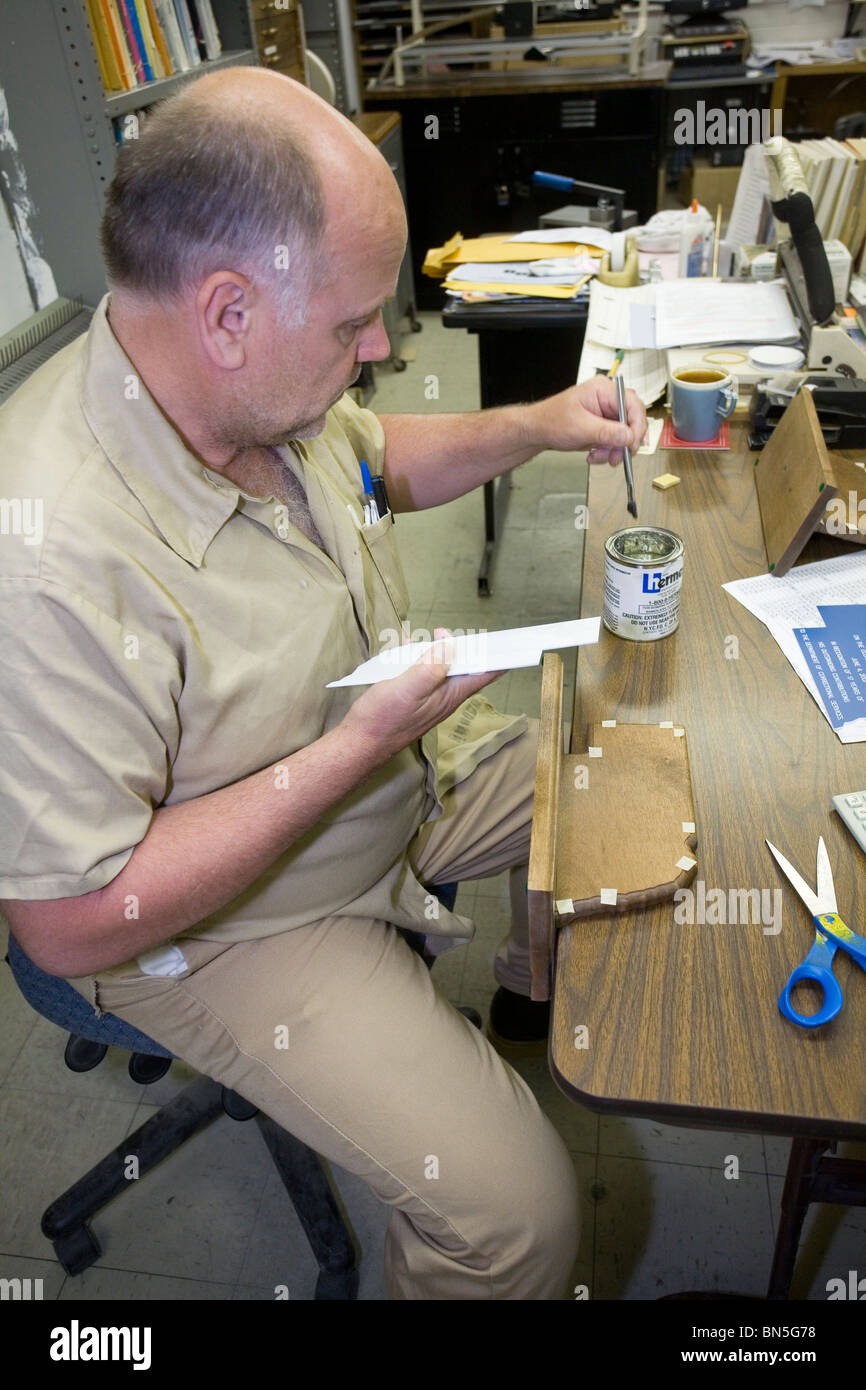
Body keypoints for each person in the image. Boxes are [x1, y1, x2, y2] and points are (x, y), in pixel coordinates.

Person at [0, 68, 646, 1299]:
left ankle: (524, 978)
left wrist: (536, 423)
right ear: (229, 309)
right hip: (230, 922)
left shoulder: (253, 390)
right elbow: (71, 920)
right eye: (355, 321)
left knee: (604, 761)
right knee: (519, 1221)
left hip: (375, 769)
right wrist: (353, 752)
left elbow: (372, 461)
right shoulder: (40, 554)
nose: (382, 348)